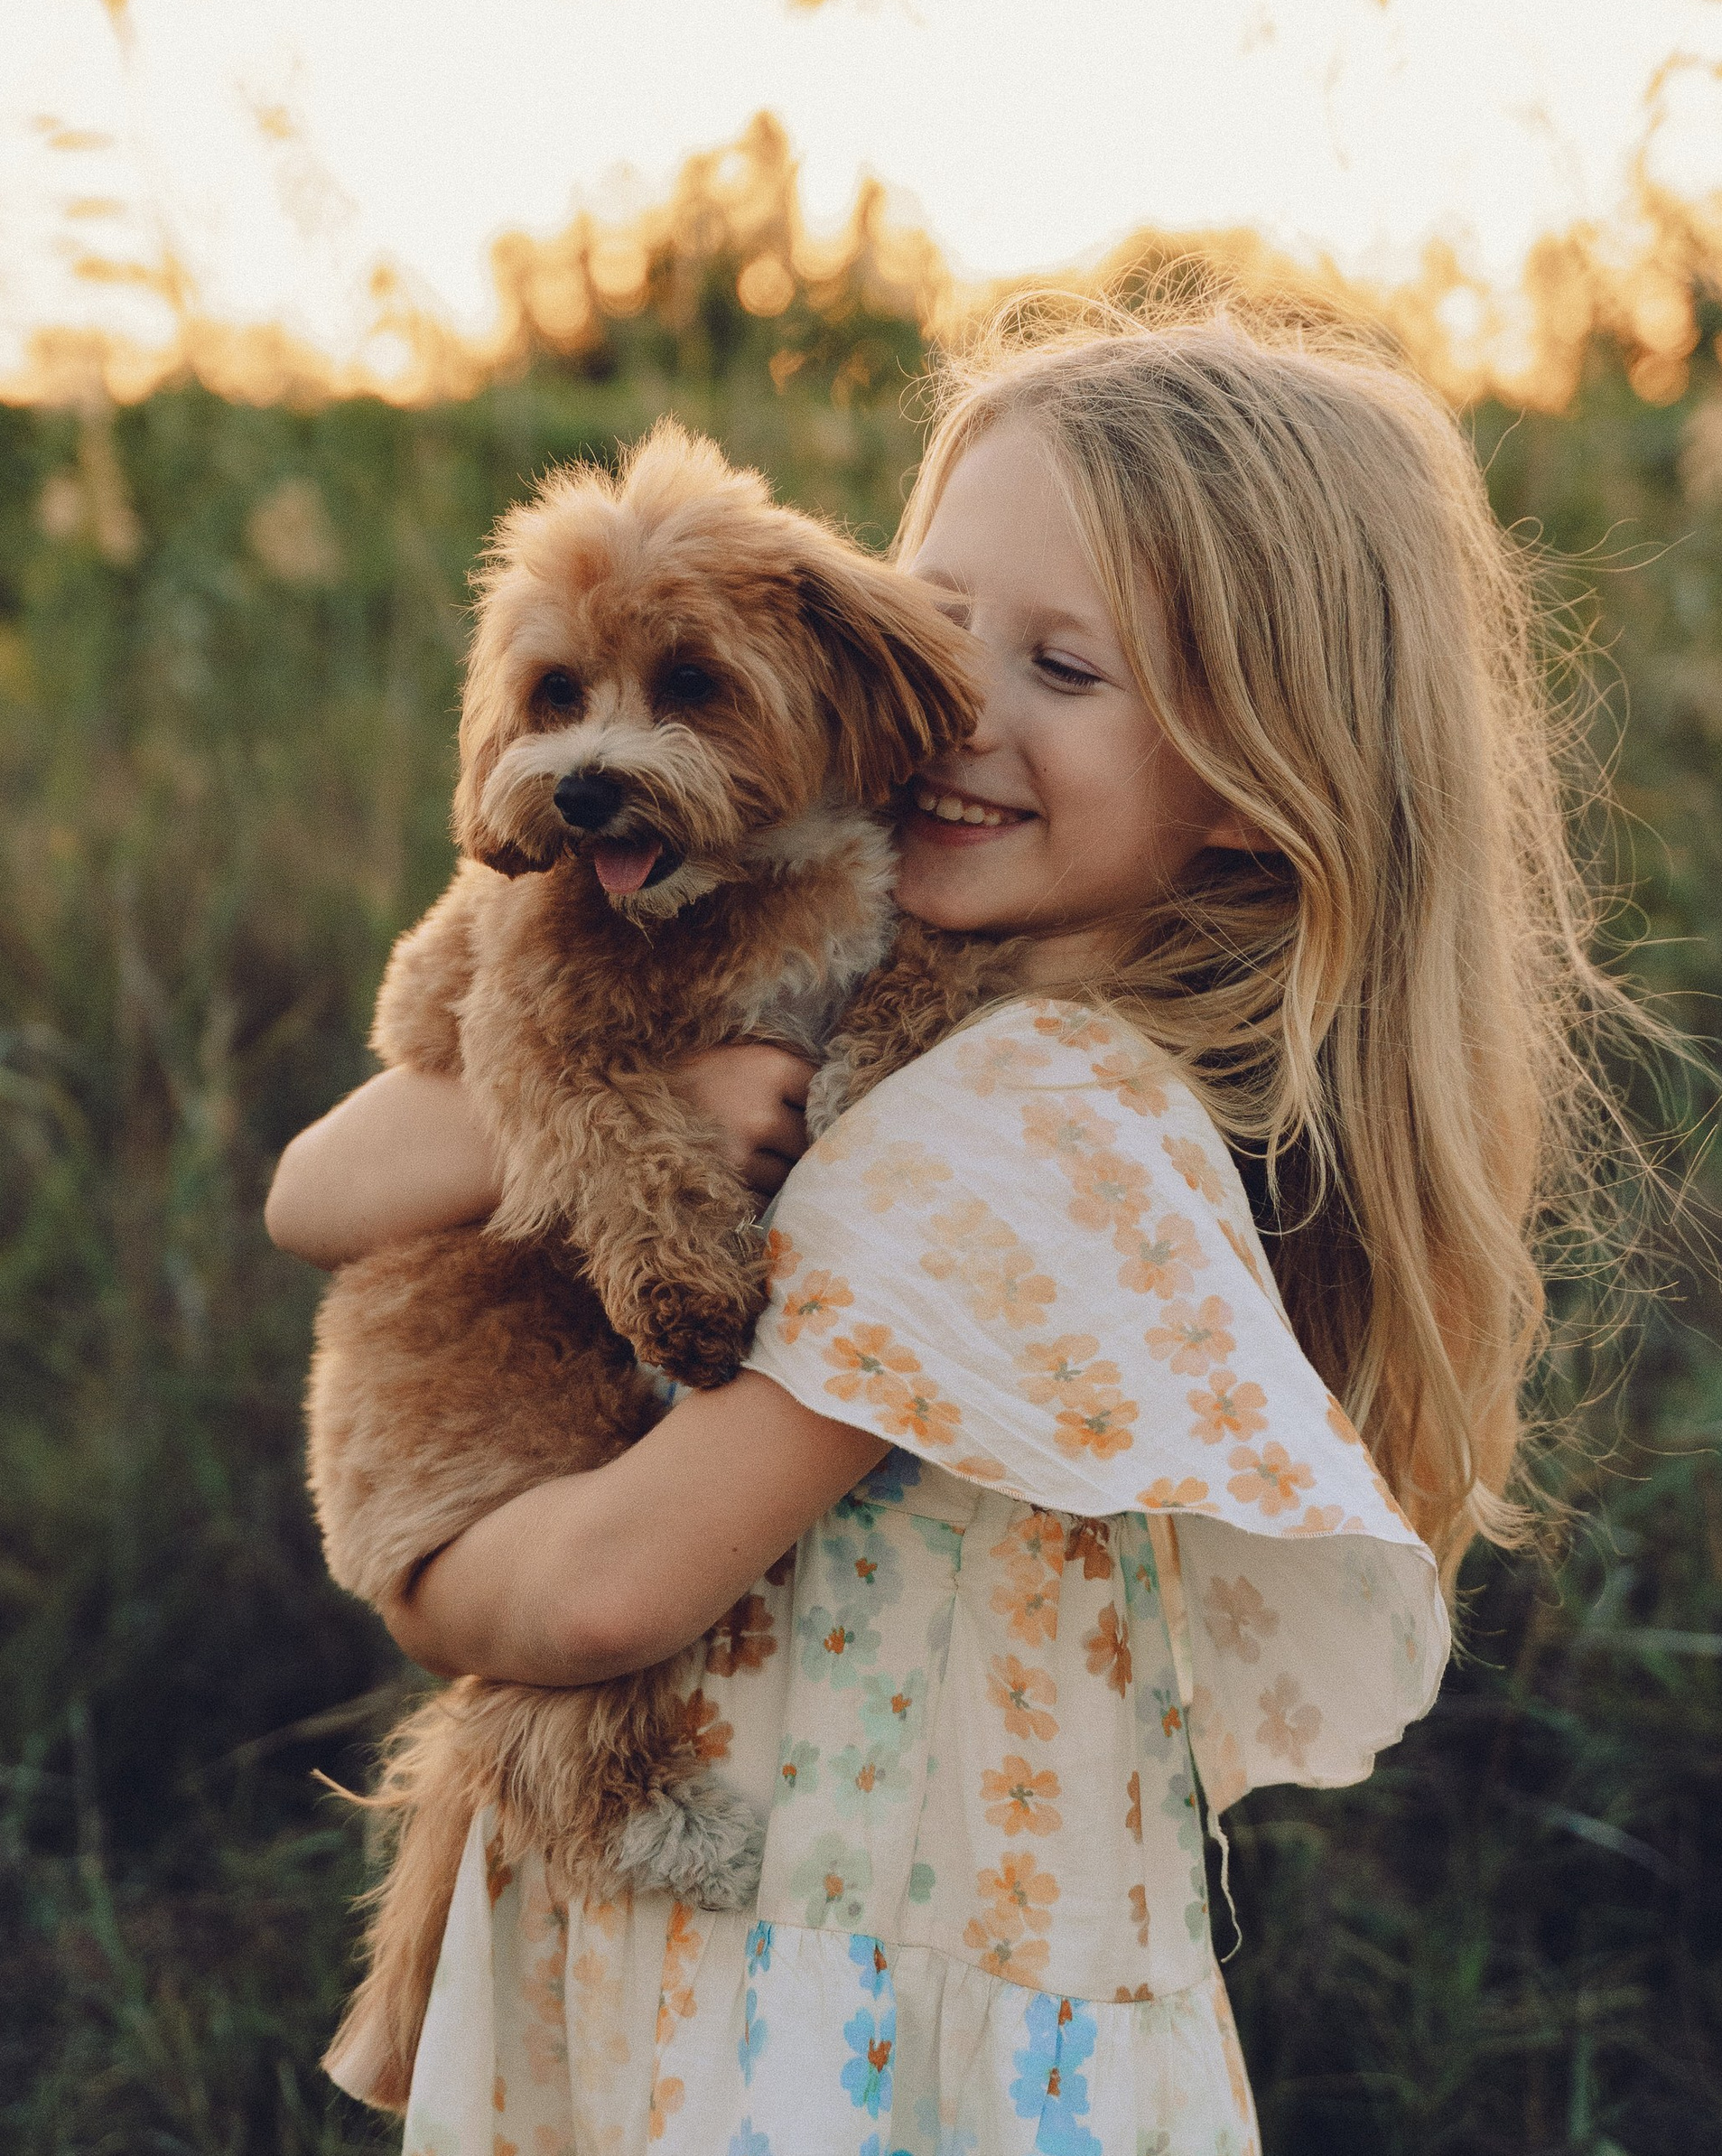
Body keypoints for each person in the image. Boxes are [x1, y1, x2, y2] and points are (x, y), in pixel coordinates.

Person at [267, 296, 1634, 2155]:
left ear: (1257, 793)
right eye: (936, 618)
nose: (958, 706)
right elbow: (324, 1183)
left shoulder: (1029, 1132)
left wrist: (427, 1579)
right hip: (777, 1964)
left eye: (1067, 670)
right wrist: (648, 1112)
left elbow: (599, 1591)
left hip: (823, 2031)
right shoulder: (885, 1007)